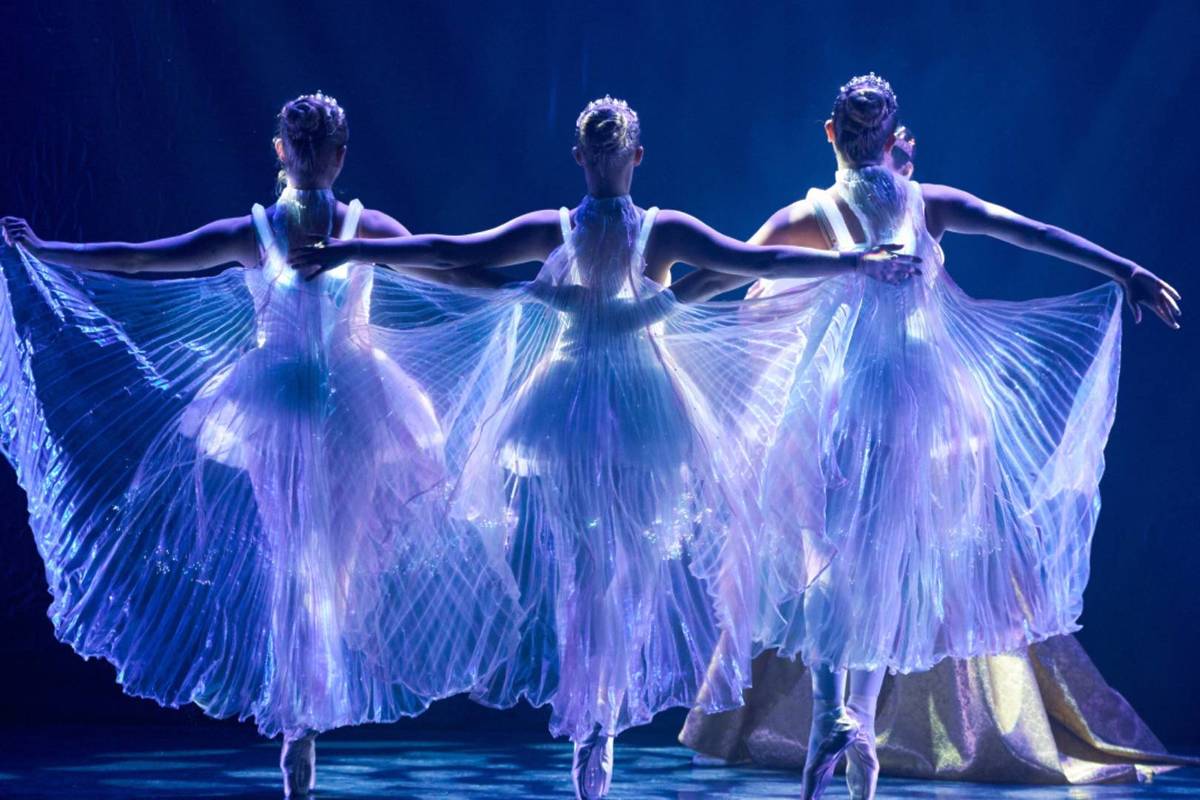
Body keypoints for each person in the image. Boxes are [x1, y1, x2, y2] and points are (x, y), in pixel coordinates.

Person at [291, 95, 919, 800]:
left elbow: (448, 251)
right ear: (635, 158)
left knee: (587, 564)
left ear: (581, 158)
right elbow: (753, 260)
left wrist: (351, 246)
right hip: (640, 407)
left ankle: (598, 719)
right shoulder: (659, 231)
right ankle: (603, 715)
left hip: (571, 404)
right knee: (624, 565)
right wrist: (853, 264)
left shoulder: (558, 229)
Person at [672, 74, 1180, 800]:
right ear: (892, 139)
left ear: (830, 134)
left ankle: (829, 717)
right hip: (916, 398)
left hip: (842, 397)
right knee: (886, 558)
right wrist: (1122, 268)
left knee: (822, 551)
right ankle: (855, 723)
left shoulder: (810, 215)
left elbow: (722, 274)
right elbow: (1028, 231)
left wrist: (642, 309)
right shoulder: (926, 203)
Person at [0, 92, 521, 799]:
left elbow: (444, 265)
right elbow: (145, 260)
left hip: (354, 410)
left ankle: (308, 700)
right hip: (280, 410)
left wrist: (525, 289)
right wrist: (47, 249)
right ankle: (298, 723)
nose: (308, 157)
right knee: (292, 559)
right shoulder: (261, 231)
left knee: (330, 565)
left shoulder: (365, 227)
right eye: (301, 147)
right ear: (291, 152)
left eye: (315, 148)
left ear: (328, 155)